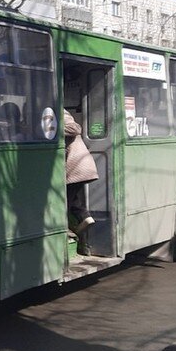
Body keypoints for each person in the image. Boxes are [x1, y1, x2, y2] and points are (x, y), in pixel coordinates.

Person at [64, 108, 98, 255]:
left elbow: (75, 128)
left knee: (64, 202)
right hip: (80, 167)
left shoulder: (58, 112)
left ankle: (64, 231)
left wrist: (50, 129)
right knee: (73, 199)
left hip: (76, 166)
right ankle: (85, 217)